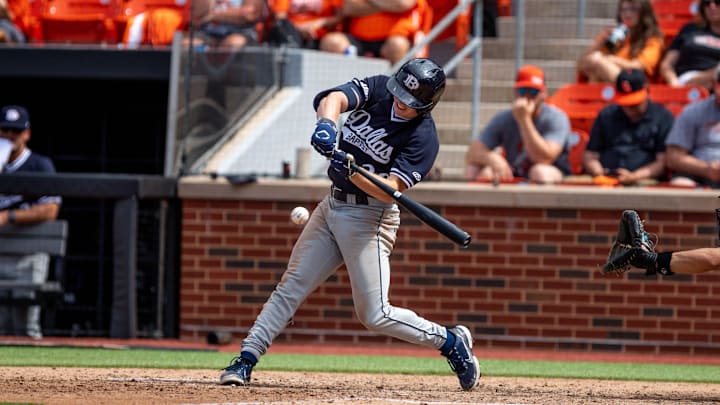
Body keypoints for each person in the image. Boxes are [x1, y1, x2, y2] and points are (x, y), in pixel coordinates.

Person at [219, 58, 481, 391]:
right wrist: (326, 126)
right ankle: (246, 359)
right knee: (292, 284)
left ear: (427, 104)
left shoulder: (423, 138)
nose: (401, 101)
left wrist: (354, 168)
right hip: (332, 205)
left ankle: (450, 342)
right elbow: (333, 99)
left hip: (370, 218)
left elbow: (390, 191)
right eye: (400, 93)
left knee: (375, 315)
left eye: (411, 101)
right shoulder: (379, 89)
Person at [0, 105, 61, 339]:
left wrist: (10, 216)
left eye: (15, 131)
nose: (9, 136)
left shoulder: (39, 165)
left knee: (25, 326)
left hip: (28, 256)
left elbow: (51, 209)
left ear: (26, 134)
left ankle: (33, 377)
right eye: (4, 130)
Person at [464, 65, 572, 184]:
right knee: (476, 170)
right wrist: (493, 159)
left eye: (534, 92)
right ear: (516, 92)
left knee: (539, 172)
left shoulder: (556, 117)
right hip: (515, 171)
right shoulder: (505, 118)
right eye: (523, 91)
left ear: (543, 94)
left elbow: (543, 158)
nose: (527, 97)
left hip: (552, 172)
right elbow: (472, 152)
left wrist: (524, 120)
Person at [582, 68, 674, 185]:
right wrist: (599, 172)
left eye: (635, 103)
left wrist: (634, 176)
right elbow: (591, 155)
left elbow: (663, 162)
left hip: (645, 180)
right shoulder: (607, 115)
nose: (630, 108)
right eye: (626, 104)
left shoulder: (663, 116)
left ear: (646, 90)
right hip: (606, 178)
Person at [577, 0, 664, 84]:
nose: (627, 14)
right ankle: (595, 98)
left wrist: (607, 59)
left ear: (644, 13)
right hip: (612, 84)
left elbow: (638, 67)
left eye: (633, 9)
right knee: (594, 70)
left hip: (637, 86)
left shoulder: (653, 39)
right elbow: (581, 66)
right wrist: (597, 43)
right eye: (623, 10)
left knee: (598, 63)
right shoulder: (617, 37)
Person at [319, 0, 430, 64]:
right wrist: (388, 5)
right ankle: (341, 92)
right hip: (358, 38)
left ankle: (394, 96)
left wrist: (367, 4)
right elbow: (349, 7)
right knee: (331, 42)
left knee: (397, 45)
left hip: (393, 39)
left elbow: (402, 3)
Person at [665, 63, 720, 188]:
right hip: (701, 173)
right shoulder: (694, 111)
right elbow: (673, 157)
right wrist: (706, 169)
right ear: (714, 83)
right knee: (680, 184)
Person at [659, 0, 720, 90]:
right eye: (707, 3)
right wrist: (674, 83)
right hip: (687, 79)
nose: (712, 6)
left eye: (717, 2)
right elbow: (667, 64)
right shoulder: (690, 29)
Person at [268, 0, 343, 49]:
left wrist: (319, 23)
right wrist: (299, 30)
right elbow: (280, 17)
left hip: (319, 35)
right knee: (283, 28)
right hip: (291, 33)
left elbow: (340, 17)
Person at [192, 0, 265, 49]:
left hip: (241, 33)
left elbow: (250, 14)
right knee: (187, 43)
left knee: (234, 43)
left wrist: (212, 15)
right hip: (207, 33)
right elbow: (199, 13)